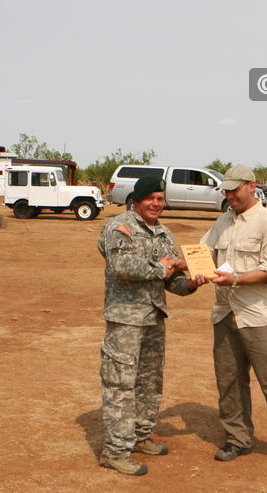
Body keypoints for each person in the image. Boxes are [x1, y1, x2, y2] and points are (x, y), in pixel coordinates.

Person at [97, 175, 208, 476]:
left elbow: (170, 280)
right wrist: (163, 267)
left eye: (160, 199)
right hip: (126, 319)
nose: (156, 204)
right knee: (120, 384)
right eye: (151, 199)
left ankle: (140, 436)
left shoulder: (163, 233)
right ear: (136, 200)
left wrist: (191, 284)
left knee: (149, 381)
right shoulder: (119, 227)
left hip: (154, 318)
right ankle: (116, 451)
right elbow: (121, 267)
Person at [200, 165, 267, 469]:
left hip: (259, 317)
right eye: (226, 191)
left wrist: (233, 280)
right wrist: (174, 263)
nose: (229, 196)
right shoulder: (223, 221)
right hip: (225, 314)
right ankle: (238, 438)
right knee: (229, 381)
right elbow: (202, 252)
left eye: (234, 190)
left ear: (251, 186)